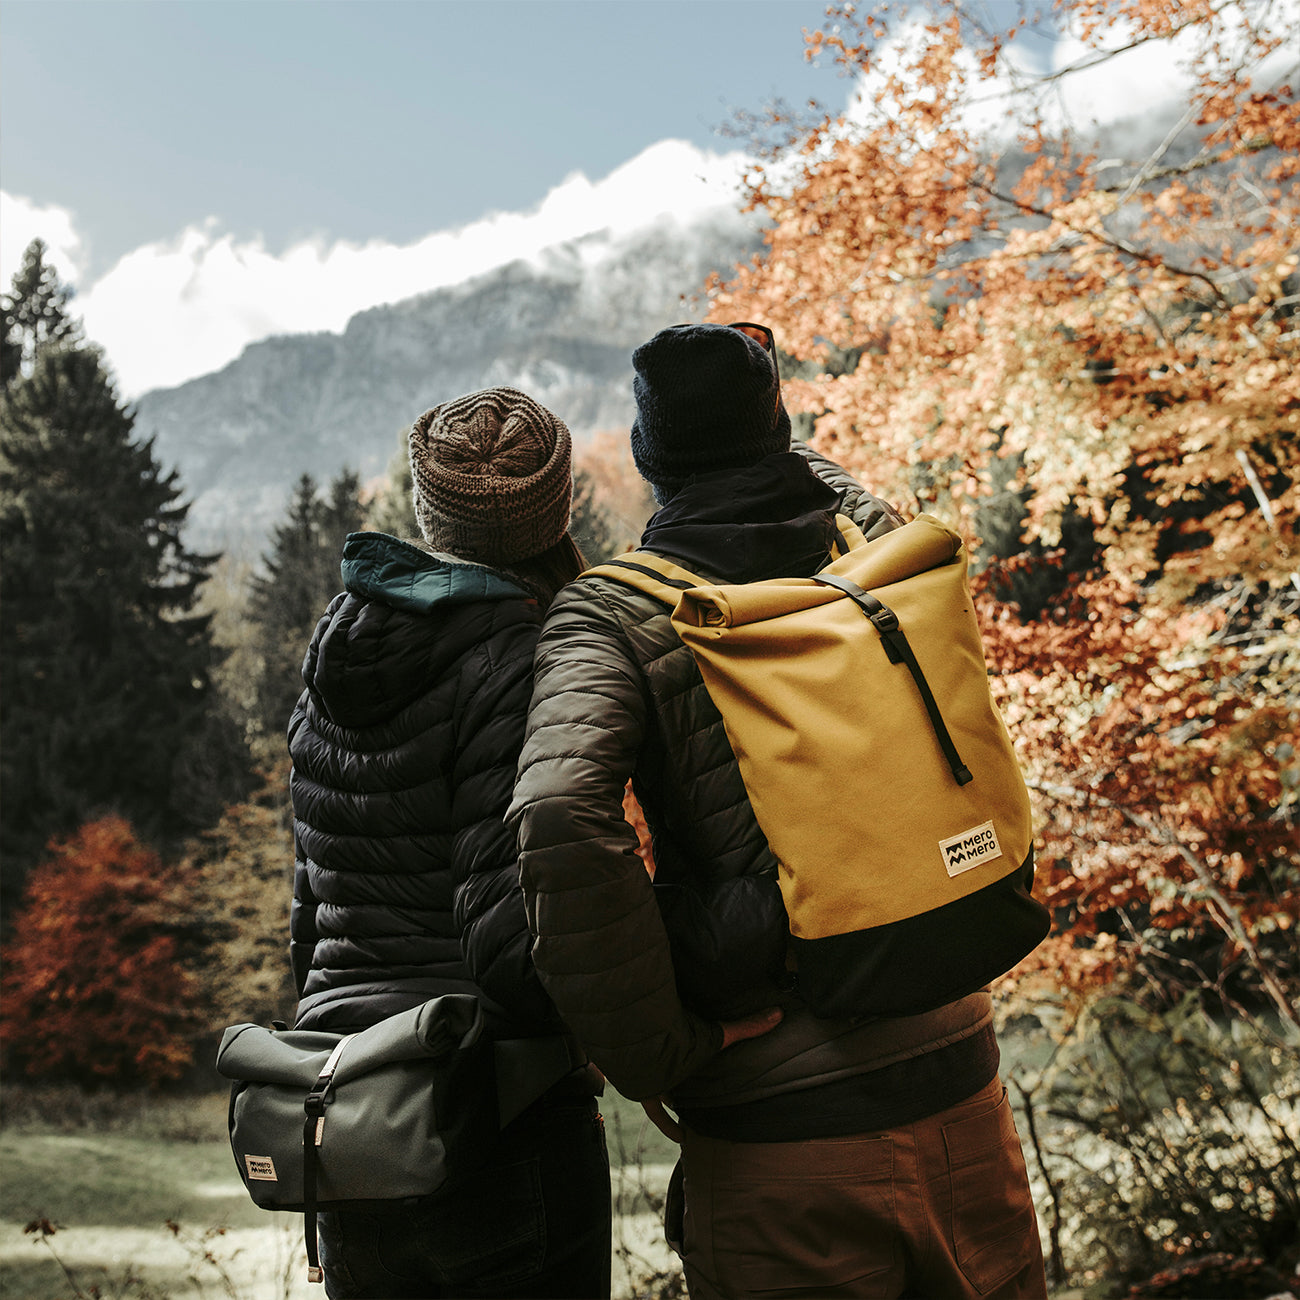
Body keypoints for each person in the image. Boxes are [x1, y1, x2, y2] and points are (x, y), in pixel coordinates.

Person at [508, 324, 1048, 1299]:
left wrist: (655, 1048)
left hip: (782, 1126)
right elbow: (829, 482)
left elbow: (554, 815)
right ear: (781, 429)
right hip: (962, 1084)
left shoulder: (614, 611)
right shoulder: (874, 556)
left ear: (644, 453)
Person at [287, 387, 611, 1299]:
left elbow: (310, 918)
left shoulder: (334, 653)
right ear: (557, 515)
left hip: (350, 1105)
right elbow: (509, 943)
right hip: (487, 1114)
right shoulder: (522, 658)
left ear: (430, 513)